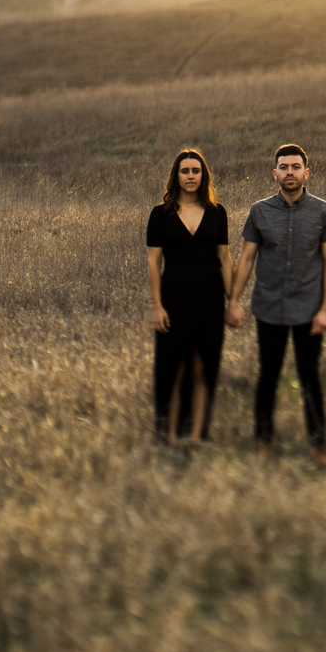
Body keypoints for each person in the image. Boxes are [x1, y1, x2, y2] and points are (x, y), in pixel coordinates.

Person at [227, 143, 326, 464]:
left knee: (309, 375)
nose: (289, 172)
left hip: (308, 308)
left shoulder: (322, 211)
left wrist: (325, 310)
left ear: (307, 171)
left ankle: (320, 444)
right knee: (268, 374)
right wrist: (233, 301)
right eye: (284, 167)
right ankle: (262, 439)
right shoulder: (260, 211)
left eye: (295, 166)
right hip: (269, 307)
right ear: (274, 173)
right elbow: (246, 259)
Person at [145, 148, 234, 447]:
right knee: (174, 366)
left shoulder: (217, 212)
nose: (191, 176)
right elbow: (154, 263)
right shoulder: (160, 214)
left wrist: (232, 301)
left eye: (196, 171)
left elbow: (225, 257)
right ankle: (168, 435)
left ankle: (198, 435)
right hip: (173, 296)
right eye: (185, 171)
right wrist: (157, 305)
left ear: (203, 175)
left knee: (203, 366)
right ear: (176, 176)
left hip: (210, 297)